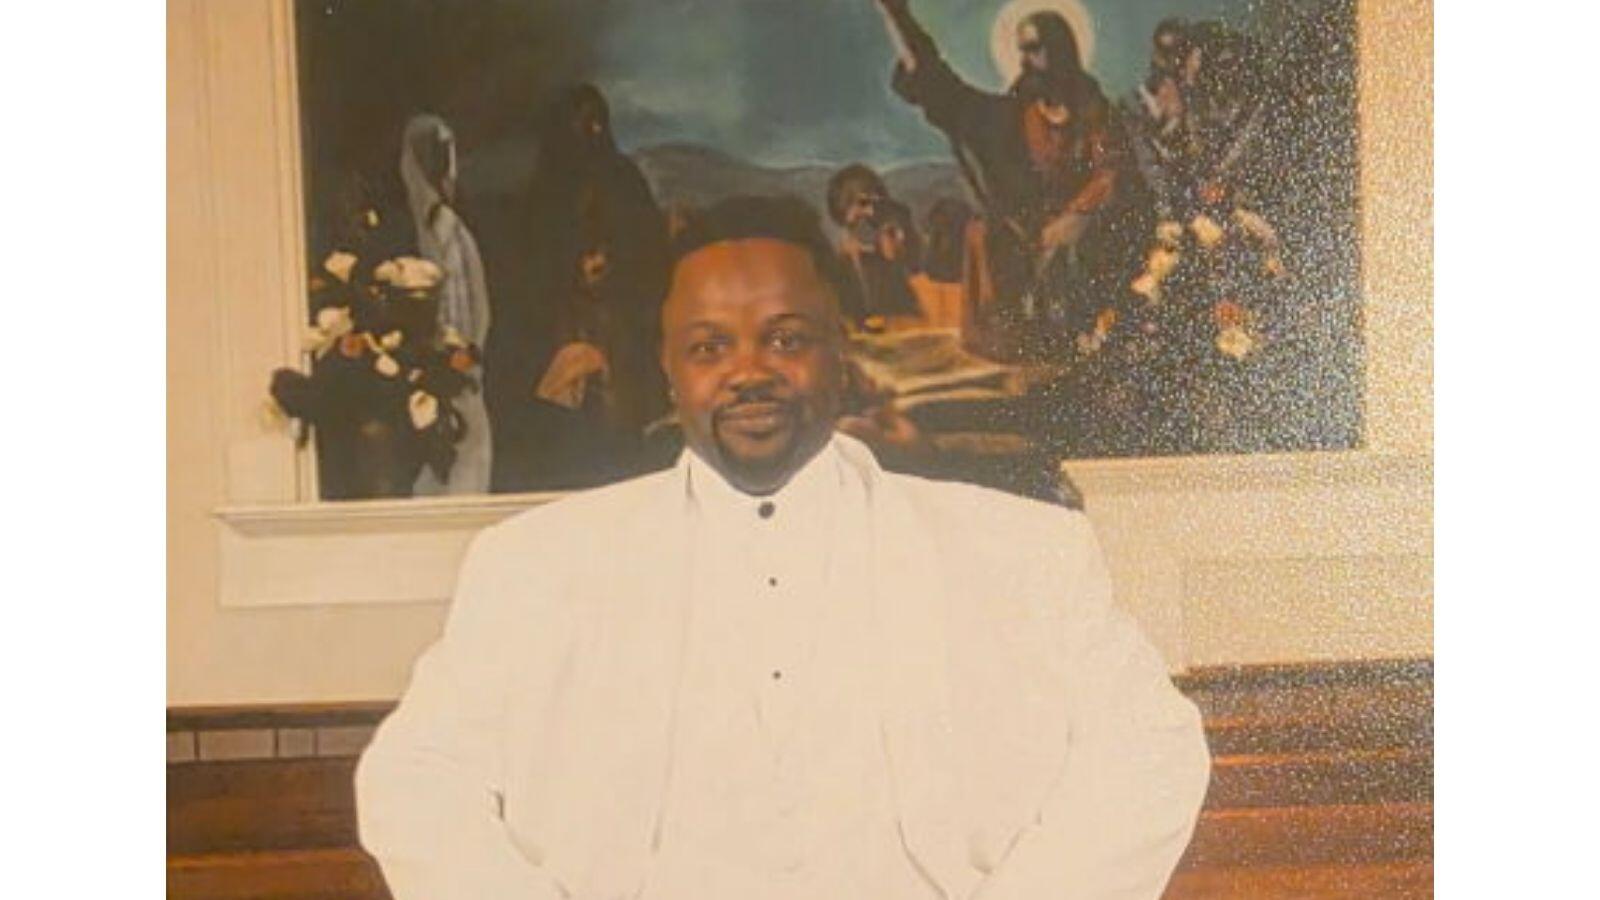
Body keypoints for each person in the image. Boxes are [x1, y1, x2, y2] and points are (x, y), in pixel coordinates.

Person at [356, 195, 1210, 900]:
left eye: (786, 337)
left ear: (843, 352)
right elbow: (416, 777)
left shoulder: (1019, 550)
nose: (749, 371)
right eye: (708, 346)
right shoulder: (536, 566)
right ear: (667, 369)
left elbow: (1150, 745)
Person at [871, 0, 1139, 360]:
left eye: (1034, 49)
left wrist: (1077, 214)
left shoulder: (1093, 112)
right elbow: (943, 89)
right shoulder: (1011, 115)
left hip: (1086, 235)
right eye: (1021, 50)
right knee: (983, 233)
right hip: (1026, 236)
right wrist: (899, 17)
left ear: (1061, 50)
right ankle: (1010, 344)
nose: (1025, 60)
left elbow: (1113, 170)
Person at [398, 113, 493, 495]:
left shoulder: (442, 223)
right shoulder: (435, 224)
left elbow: (469, 300)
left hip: (453, 364)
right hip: (441, 368)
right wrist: (455, 350)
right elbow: (454, 304)